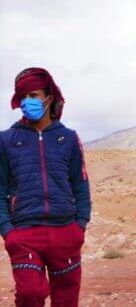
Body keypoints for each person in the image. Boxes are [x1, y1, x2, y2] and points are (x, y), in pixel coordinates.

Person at [0, 67, 91, 307]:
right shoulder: (5, 140)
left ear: (48, 99)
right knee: (31, 293)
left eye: (33, 96)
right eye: (22, 98)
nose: (26, 102)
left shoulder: (69, 138)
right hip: (24, 233)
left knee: (66, 300)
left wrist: (79, 225)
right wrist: (8, 232)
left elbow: (80, 184)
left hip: (65, 231)